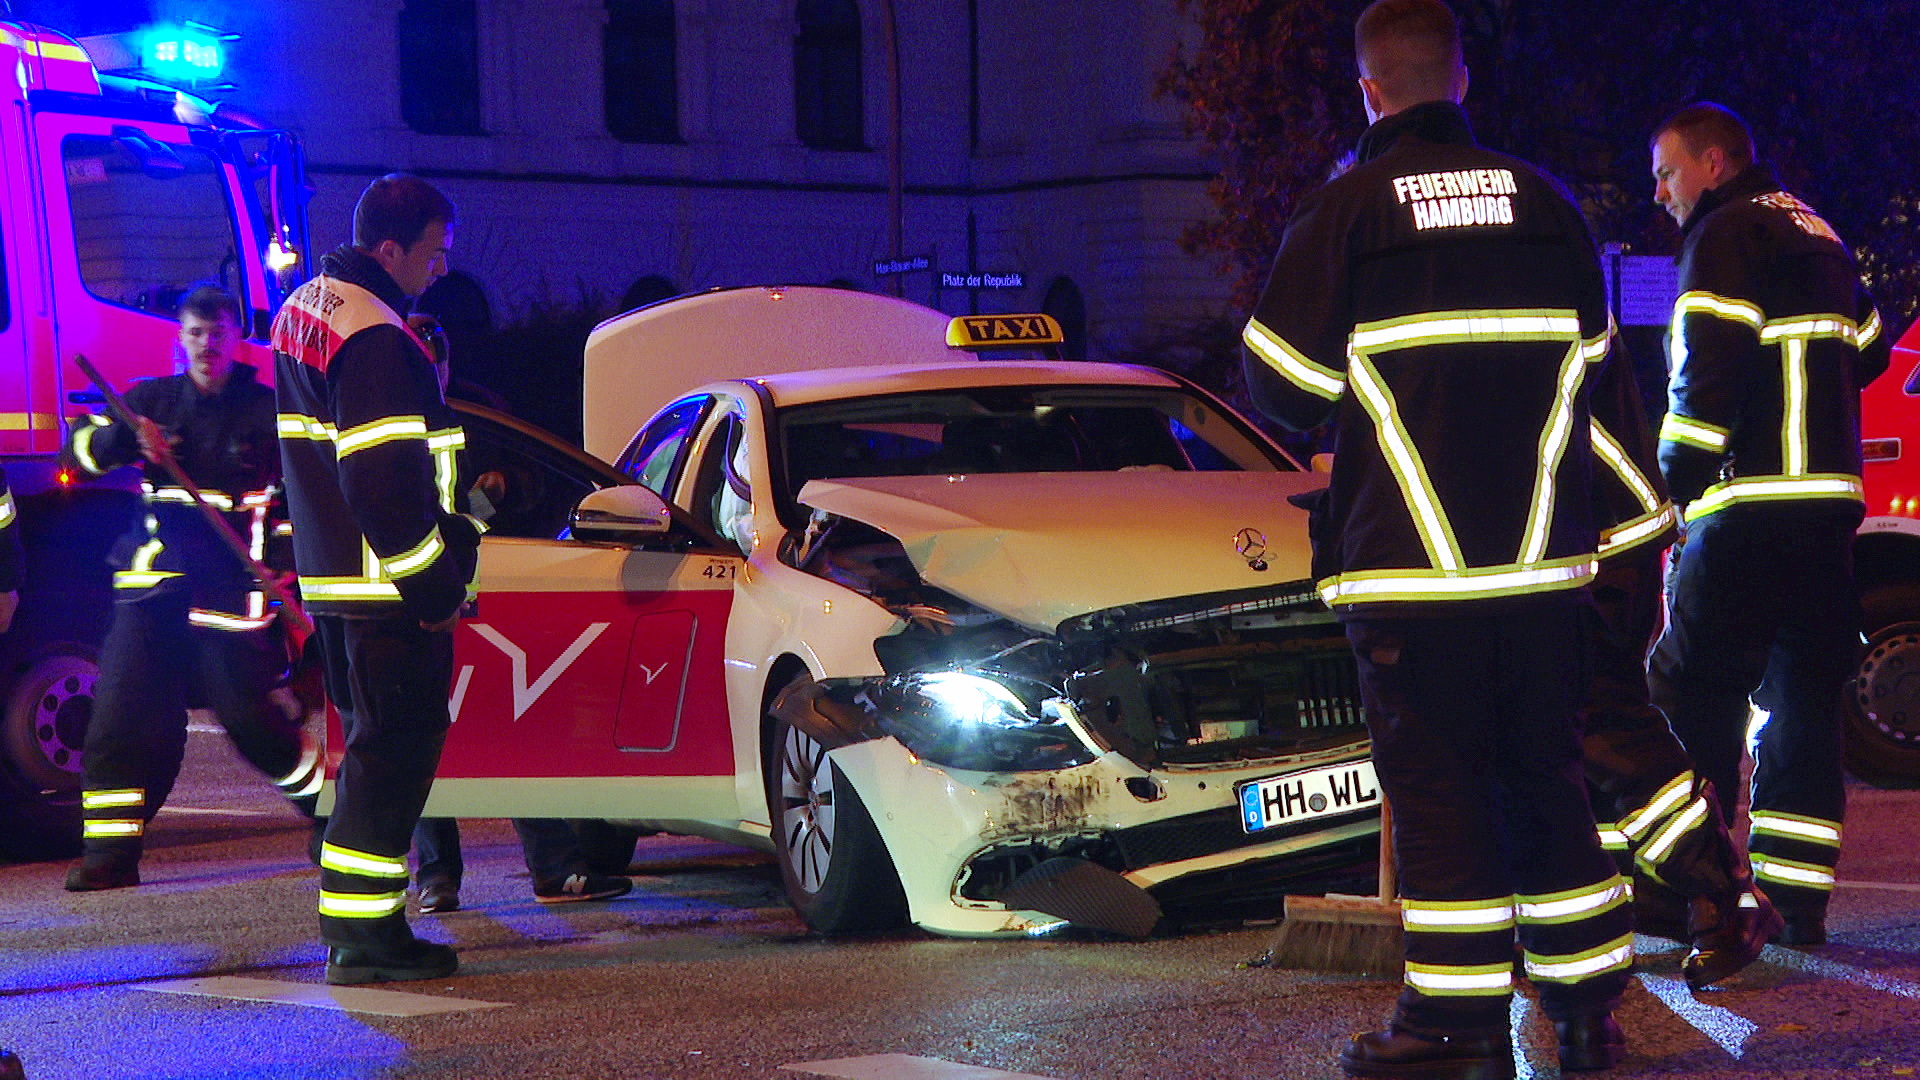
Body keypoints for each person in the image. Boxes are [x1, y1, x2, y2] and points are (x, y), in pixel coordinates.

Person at [1242, 3, 1633, 1075]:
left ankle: (1451, 1026)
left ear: (1369, 91)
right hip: (1545, 569)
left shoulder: (1349, 211)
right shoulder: (1551, 205)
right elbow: (1597, 372)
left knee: (1441, 789)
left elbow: (1278, 388)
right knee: (1545, 777)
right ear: (1463, 77)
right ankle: (1588, 1005)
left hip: (1413, 570)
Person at [1644, 103, 1889, 948]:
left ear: (1713, 163)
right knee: (1802, 702)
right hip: (1827, 512)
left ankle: (1691, 890)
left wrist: (1667, 488)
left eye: (1667, 172)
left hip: (1746, 506)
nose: (1659, 193)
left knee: (1690, 689)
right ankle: (1797, 904)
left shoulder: (1724, 235)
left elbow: (1704, 371)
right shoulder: (1816, 230)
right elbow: (1870, 345)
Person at [271, 174, 479, 985]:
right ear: (389, 250)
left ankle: (364, 927)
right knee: (392, 757)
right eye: (434, 254)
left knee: (370, 756)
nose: (440, 270)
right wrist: (434, 593)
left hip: (336, 581)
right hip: (387, 589)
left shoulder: (307, 311)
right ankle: (365, 938)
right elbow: (387, 487)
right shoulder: (379, 337)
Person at [62, 286, 320, 893]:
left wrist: (285, 566)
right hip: (155, 591)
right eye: (197, 333)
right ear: (181, 339)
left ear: (236, 340)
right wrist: (126, 441)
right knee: (117, 719)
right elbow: (76, 449)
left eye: (219, 333)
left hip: (233, 592)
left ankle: (333, 815)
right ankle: (109, 857)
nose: (208, 344)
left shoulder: (267, 410)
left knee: (252, 723)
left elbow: (297, 501)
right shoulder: (148, 403)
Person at [401, 314, 632, 914]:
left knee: (514, 722)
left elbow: (535, 480)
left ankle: (555, 867)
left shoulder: (481, 411)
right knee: (428, 734)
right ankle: (437, 877)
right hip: (418, 595)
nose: (430, 376)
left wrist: (507, 482)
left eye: (436, 362)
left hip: (494, 587)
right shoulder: (387, 418)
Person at [1576, 349, 1782, 987]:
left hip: (1582, 541)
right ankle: (1688, 898)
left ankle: (1717, 895)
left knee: (1597, 724)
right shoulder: (1536, 257)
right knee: (1594, 726)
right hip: (1603, 532)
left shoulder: (1462, 266)